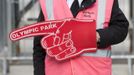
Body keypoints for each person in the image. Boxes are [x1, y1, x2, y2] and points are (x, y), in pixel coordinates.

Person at [33, 0, 129, 75]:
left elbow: (121, 28)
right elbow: (39, 45)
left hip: (94, 71)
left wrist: (98, 36)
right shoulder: (48, 2)